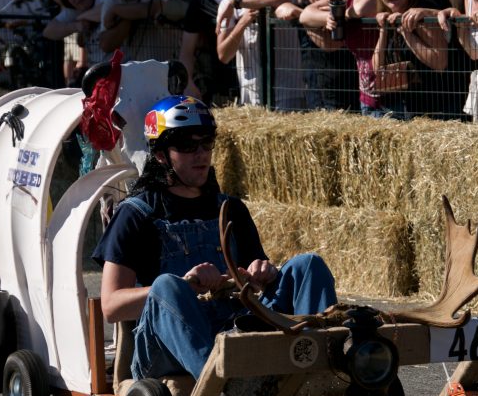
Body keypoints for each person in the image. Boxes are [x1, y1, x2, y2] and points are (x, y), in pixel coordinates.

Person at [93, 96, 337, 381]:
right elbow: (111, 306)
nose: (201, 153)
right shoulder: (135, 214)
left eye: (206, 143)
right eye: (187, 145)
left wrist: (263, 273)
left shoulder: (230, 209)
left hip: (235, 328)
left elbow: (253, 283)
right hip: (166, 349)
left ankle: (318, 373)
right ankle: (223, 389)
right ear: (160, 154)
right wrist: (185, 286)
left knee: (308, 265)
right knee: (166, 286)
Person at [300, 0, 386, 116]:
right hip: (367, 96)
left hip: (392, 94)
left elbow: (360, 9)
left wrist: (342, 15)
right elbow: (305, 15)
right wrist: (328, 18)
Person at [216, 0, 307, 109]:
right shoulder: (225, 3)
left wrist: (237, 3)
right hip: (250, 93)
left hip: (288, 91)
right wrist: (242, 23)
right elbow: (223, 55)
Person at [371, 0, 449, 118]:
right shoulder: (386, 14)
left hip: (430, 109)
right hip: (396, 108)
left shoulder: (423, 12)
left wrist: (405, 31)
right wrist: (383, 30)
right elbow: (376, 68)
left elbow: (440, 62)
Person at [179, 0, 241, 103]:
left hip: (249, 77)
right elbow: (186, 52)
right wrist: (188, 84)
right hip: (214, 85)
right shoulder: (198, 2)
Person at [98, 0, 186, 61]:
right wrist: (128, 16)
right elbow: (106, 45)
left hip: (173, 63)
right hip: (140, 71)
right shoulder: (111, 1)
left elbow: (155, 8)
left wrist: (117, 10)